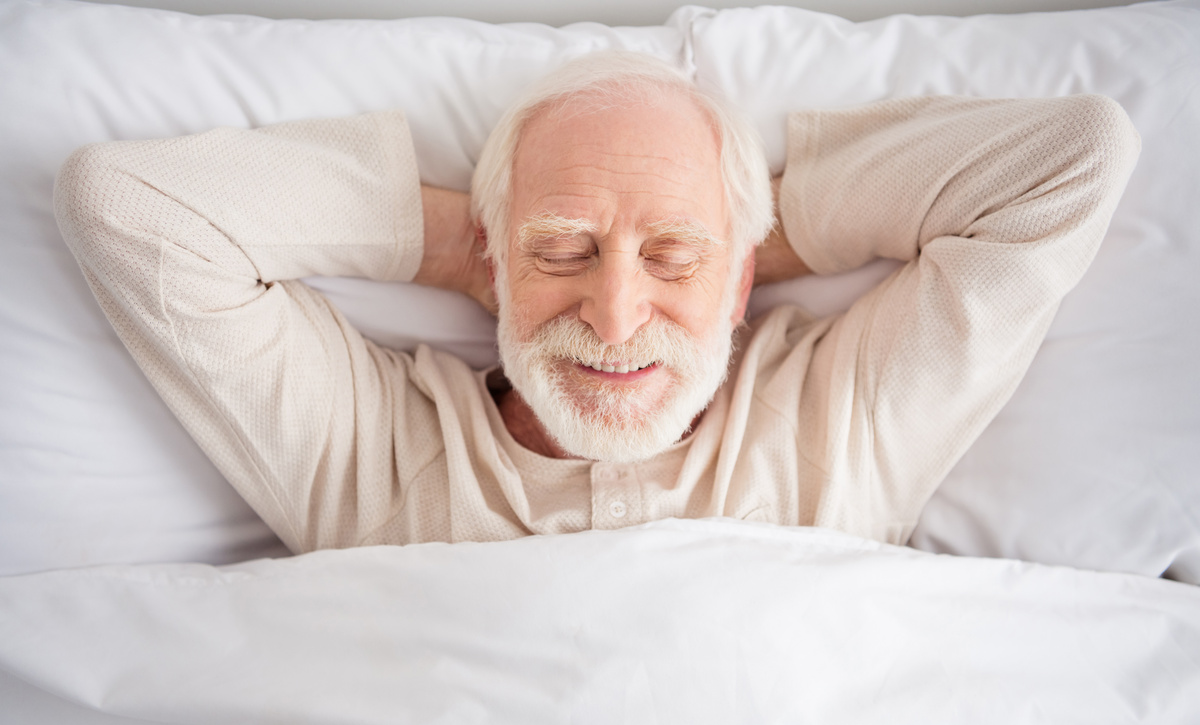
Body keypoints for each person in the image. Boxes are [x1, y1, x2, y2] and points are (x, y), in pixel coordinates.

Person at [53, 53, 1139, 553]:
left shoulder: (835, 427)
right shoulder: (371, 458)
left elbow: (1076, 157)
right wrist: (466, 247)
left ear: (745, 272)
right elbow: (125, 204)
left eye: (670, 257)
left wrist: (743, 239)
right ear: (496, 256)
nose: (614, 316)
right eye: (562, 248)